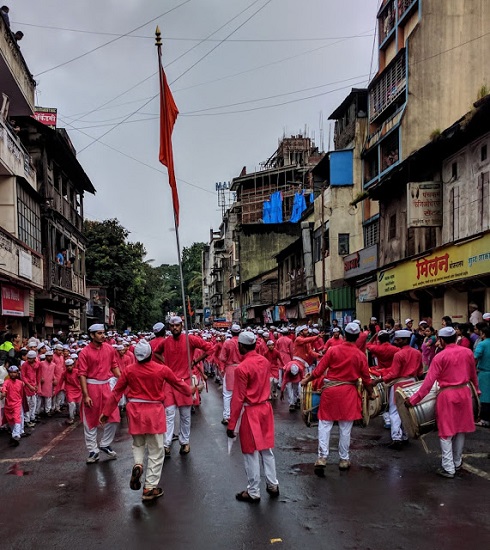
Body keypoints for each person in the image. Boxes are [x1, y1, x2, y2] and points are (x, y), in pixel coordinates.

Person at [100, 340, 192, 502]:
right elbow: (178, 384)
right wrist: (191, 390)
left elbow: (116, 393)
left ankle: (138, 464)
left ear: (136, 356)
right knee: (157, 450)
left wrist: (106, 413)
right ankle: (150, 487)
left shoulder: (128, 371)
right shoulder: (162, 369)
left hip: (135, 411)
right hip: (154, 412)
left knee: (138, 443)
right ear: (150, 354)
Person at [405, 326, 479, 478]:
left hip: (447, 395)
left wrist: (413, 400)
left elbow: (428, 383)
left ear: (442, 340)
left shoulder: (440, 357)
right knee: (460, 429)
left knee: (446, 432)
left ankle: (448, 468)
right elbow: (473, 375)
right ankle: (457, 463)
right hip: (465, 393)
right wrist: (476, 391)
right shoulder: (467, 352)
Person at [301, 322, 373, 475]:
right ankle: (344, 459)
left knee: (325, 425)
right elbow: (366, 379)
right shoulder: (360, 355)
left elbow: (318, 370)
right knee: (345, 428)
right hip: (349, 394)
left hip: (330, 393)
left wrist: (306, 380)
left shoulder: (333, 351)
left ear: (344, 335)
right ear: (357, 337)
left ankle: (322, 458)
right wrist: (371, 393)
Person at [227, 331, 279, 503]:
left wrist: (231, 425)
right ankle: (273, 484)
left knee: (250, 452)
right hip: (265, 409)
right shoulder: (264, 361)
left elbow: (237, 399)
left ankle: (253, 491)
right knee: (267, 450)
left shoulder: (242, 368)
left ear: (241, 346)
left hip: (251, 411)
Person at [153, 316, 213, 456]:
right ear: (169, 327)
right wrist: (166, 363)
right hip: (169, 382)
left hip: (185, 382)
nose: (175, 328)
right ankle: (166, 444)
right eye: (172, 326)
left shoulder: (190, 339)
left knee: (185, 415)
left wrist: (195, 361)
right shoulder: (166, 341)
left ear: (181, 325)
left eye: (177, 325)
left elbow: (209, 348)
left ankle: (184, 442)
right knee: (169, 414)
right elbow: (156, 352)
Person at [77, 324, 121, 464]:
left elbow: (114, 367)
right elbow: (82, 374)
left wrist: (124, 381)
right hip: (91, 387)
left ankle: (105, 444)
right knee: (90, 420)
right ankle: (93, 450)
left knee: (114, 417)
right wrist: (85, 395)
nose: (103, 335)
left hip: (107, 386)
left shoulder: (109, 349)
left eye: (103, 333)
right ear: (92, 335)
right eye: (99, 333)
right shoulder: (84, 352)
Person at [373, 329, 422, 450]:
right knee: (407, 411)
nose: (395, 341)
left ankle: (396, 438)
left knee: (395, 412)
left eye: (398, 339)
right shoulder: (417, 353)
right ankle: (405, 436)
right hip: (412, 384)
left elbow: (393, 374)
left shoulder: (399, 354)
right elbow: (420, 371)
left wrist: (379, 380)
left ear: (405, 340)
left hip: (399, 385)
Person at [219, 323, 242, 425]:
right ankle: (240, 414)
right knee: (241, 394)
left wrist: (222, 369)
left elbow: (222, 358)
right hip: (242, 369)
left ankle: (227, 416)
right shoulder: (243, 342)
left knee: (227, 395)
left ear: (231, 332)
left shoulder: (227, 343)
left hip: (230, 369)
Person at [0, 361, 25, 446]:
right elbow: (4, 388)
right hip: (8, 404)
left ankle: (16, 435)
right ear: (9, 373)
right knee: (10, 420)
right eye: (11, 373)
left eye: (15, 372)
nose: (13, 374)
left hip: (17, 404)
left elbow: (21, 394)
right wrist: (3, 392)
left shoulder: (20, 383)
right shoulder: (7, 382)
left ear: (17, 373)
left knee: (16, 418)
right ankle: (14, 434)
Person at [474, 325, 490, 427]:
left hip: (484, 373)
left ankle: (485, 419)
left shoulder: (482, 344)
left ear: (483, 334)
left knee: (484, 397)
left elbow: (475, 357)